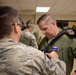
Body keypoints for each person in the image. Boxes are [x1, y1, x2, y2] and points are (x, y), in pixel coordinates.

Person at [0, 6, 66, 75]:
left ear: (53, 24)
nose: (43, 32)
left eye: (45, 29)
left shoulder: (67, 38)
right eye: (20, 25)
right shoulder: (35, 56)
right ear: (16, 27)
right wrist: (55, 59)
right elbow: (60, 73)